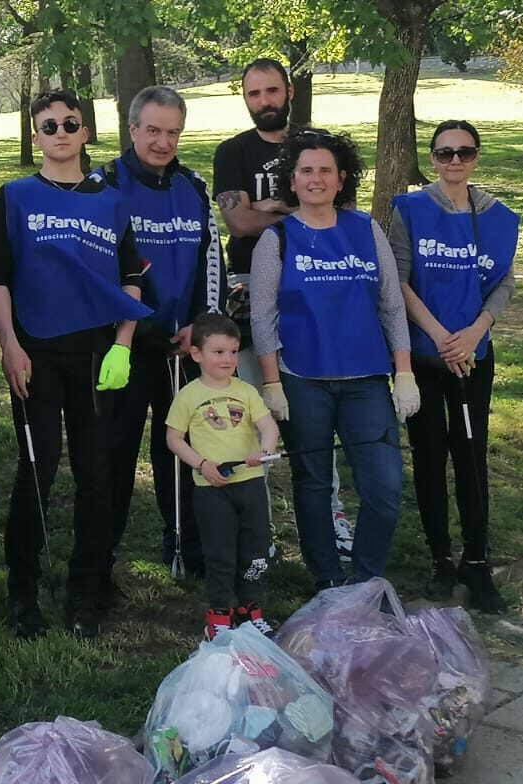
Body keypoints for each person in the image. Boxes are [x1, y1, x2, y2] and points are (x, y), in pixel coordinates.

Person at [0, 87, 153, 640]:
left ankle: (87, 590)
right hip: (35, 352)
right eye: (48, 126)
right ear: (36, 137)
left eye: (69, 123)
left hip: (97, 355)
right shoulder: (14, 197)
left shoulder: (110, 200)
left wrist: (124, 344)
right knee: (38, 470)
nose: (59, 133)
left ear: (85, 132)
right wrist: (9, 344)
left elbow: (133, 276)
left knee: (96, 475)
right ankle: (22, 592)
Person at [250, 128, 419, 590]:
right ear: (294, 179)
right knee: (313, 486)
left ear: (341, 178)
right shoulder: (277, 239)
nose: (316, 179)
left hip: (367, 380)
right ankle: (327, 582)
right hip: (302, 379)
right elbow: (263, 317)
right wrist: (272, 383)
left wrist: (404, 372)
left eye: (326, 170)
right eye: (307, 170)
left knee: (384, 487)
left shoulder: (365, 230)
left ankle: (365, 580)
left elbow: (390, 303)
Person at [213, 58, 355, 562]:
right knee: (255, 410)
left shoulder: (319, 145)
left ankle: (331, 517)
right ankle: (261, 531)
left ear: (289, 90)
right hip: (249, 289)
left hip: (316, 288)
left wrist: (274, 208)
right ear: (245, 97)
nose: (264, 102)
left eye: (272, 91)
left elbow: (335, 215)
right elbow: (238, 224)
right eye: (254, 94)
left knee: (314, 413)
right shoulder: (233, 152)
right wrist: (291, 212)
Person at [93, 85, 225, 582]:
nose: (163, 142)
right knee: (115, 454)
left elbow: (211, 257)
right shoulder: (103, 183)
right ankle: (101, 557)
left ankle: (185, 547)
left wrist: (201, 322)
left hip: (183, 346)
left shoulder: (192, 184)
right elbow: (95, 266)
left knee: (183, 450)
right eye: (153, 130)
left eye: (172, 132)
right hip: (124, 347)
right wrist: (130, 329)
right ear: (132, 129)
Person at [391, 120, 517, 613]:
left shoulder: (497, 216)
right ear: (433, 157)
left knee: (470, 455)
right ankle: (441, 558)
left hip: (472, 356)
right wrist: (442, 336)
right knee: (428, 454)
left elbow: (505, 283)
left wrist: (475, 332)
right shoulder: (410, 211)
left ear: (477, 157)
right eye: (444, 153)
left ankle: (478, 561)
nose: (454, 162)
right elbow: (399, 281)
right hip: (425, 356)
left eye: (464, 152)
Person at [165, 313, 280, 640]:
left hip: (251, 487)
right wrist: (202, 465)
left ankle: (251, 608)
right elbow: (173, 439)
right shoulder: (188, 395)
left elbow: (268, 427)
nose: (228, 359)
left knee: (255, 550)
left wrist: (265, 449)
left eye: (233, 351)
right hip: (212, 490)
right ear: (197, 354)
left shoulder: (246, 391)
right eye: (218, 352)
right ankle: (218, 614)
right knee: (220, 554)